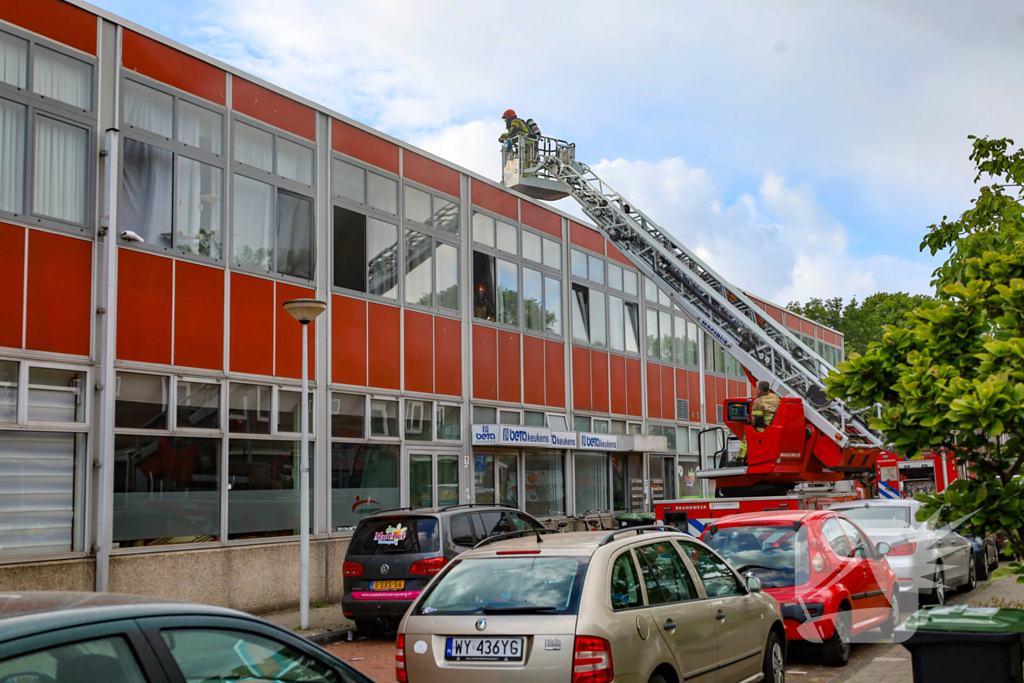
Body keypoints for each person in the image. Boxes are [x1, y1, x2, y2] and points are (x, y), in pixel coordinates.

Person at [735, 381, 780, 466]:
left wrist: (750, 424)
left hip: (765, 428)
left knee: (747, 433)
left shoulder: (758, 401)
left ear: (759, 391)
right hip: (776, 426)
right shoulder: (776, 397)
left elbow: (756, 420)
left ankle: (740, 458)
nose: (755, 389)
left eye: (756, 388)